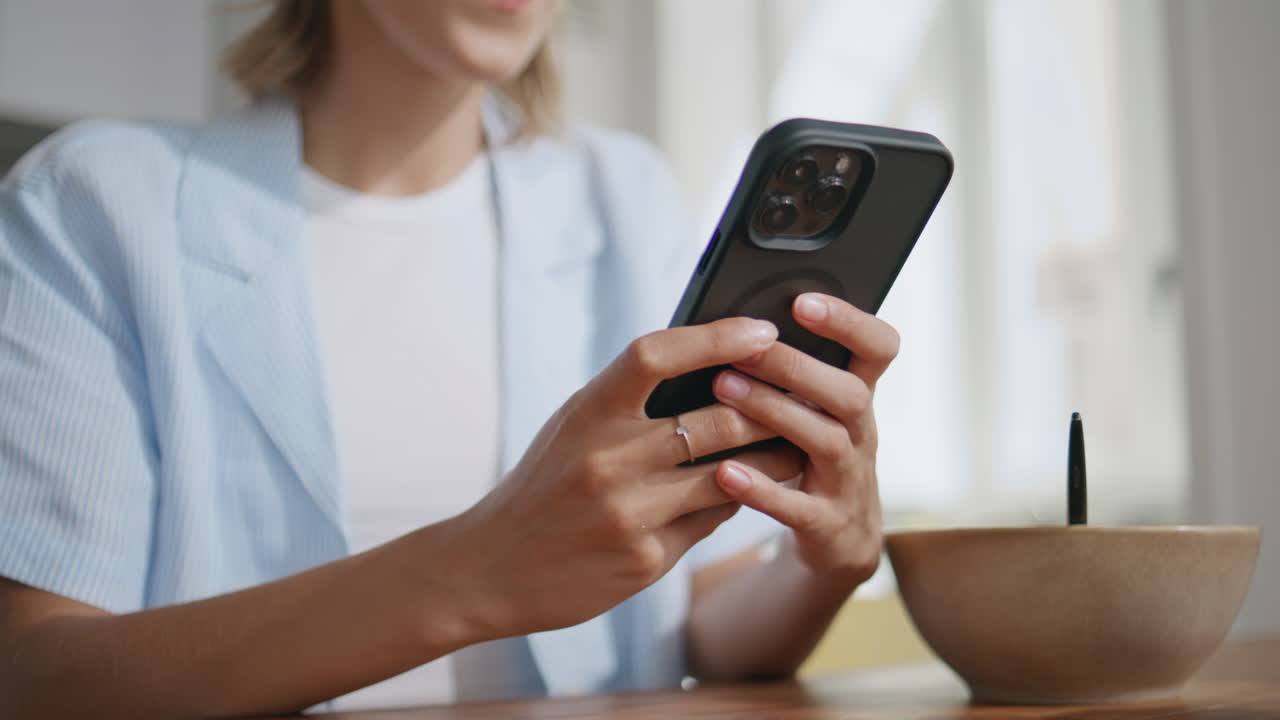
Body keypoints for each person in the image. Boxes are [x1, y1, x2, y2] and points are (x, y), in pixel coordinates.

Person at [0, 1, 898, 716]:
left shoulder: (626, 200)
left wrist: (825, 565)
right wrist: (473, 573)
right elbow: (35, 679)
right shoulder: (92, 206)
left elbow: (706, 629)